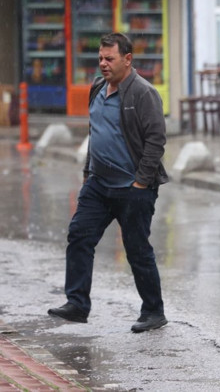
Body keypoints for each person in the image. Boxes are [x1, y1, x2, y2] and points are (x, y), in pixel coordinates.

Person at [48, 33, 169, 333]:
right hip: (99, 185)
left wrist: (141, 183)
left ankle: (154, 311)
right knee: (79, 235)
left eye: (109, 58)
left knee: (137, 249)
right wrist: (89, 172)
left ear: (127, 59)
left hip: (132, 188)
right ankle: (77, 304)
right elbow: (96, 131)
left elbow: (156, 140)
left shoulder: (143, 93)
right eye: (100, 58)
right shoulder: (98, 87)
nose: (103, 64)